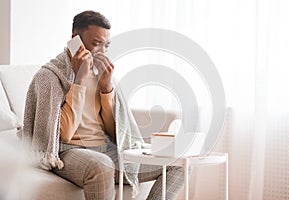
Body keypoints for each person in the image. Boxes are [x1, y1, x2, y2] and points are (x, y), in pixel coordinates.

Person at [20, 10, 184, 200]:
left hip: (104, 148)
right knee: (102, 165)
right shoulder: (49, 76)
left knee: (177, 162)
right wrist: (79, 80)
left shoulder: (101, 75)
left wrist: (107, 90)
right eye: (96, 44)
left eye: (106, 45)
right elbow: (63, 134)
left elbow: (115, 132)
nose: (102, 52)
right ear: (75, 39)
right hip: (67, 150)